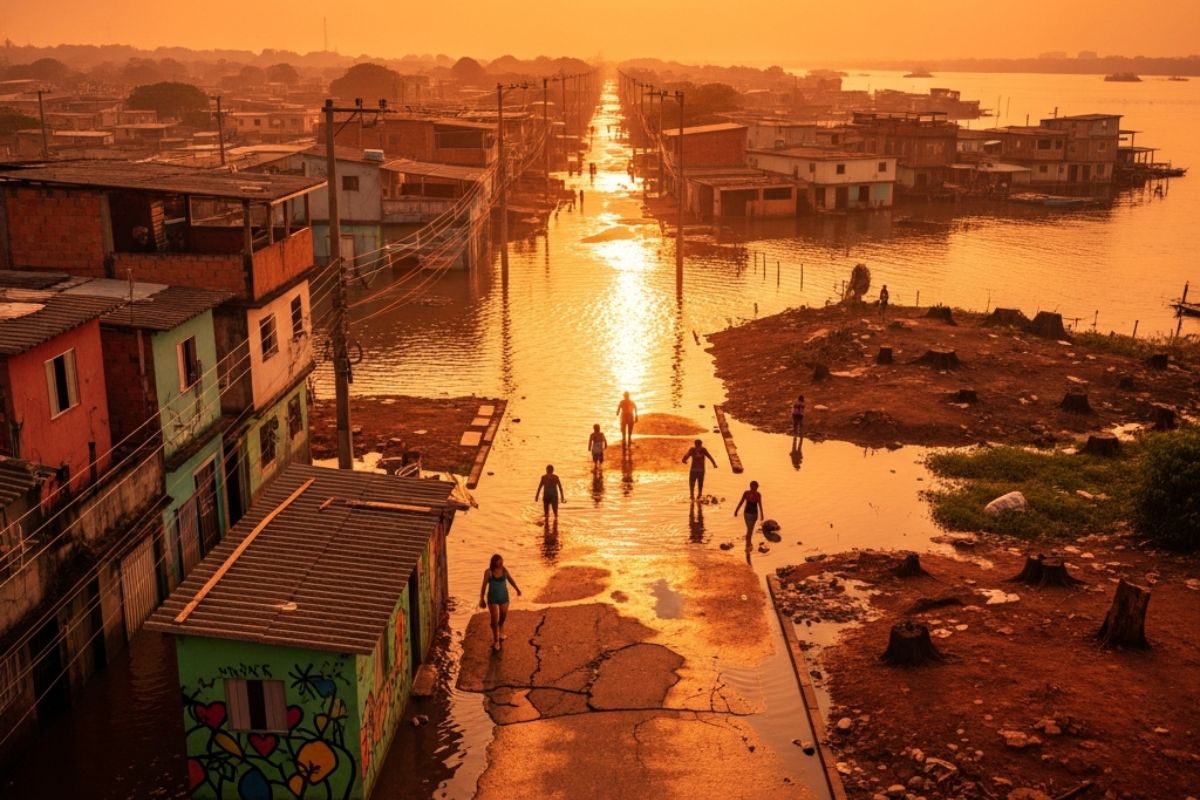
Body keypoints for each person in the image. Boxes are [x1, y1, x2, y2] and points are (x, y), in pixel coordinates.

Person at [479, 554, 521, 652]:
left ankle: (501, 628)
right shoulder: (488, 572)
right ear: (494, 562)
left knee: (503, 616)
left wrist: (517, 589)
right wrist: (482, 599)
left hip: (504, 597)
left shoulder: (504, 569)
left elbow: (510, 580)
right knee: (494, 619)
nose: (501, 563)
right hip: (492, 598)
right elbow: (484, 586)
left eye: (501, 561)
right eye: (499, 561)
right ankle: (496, 640)